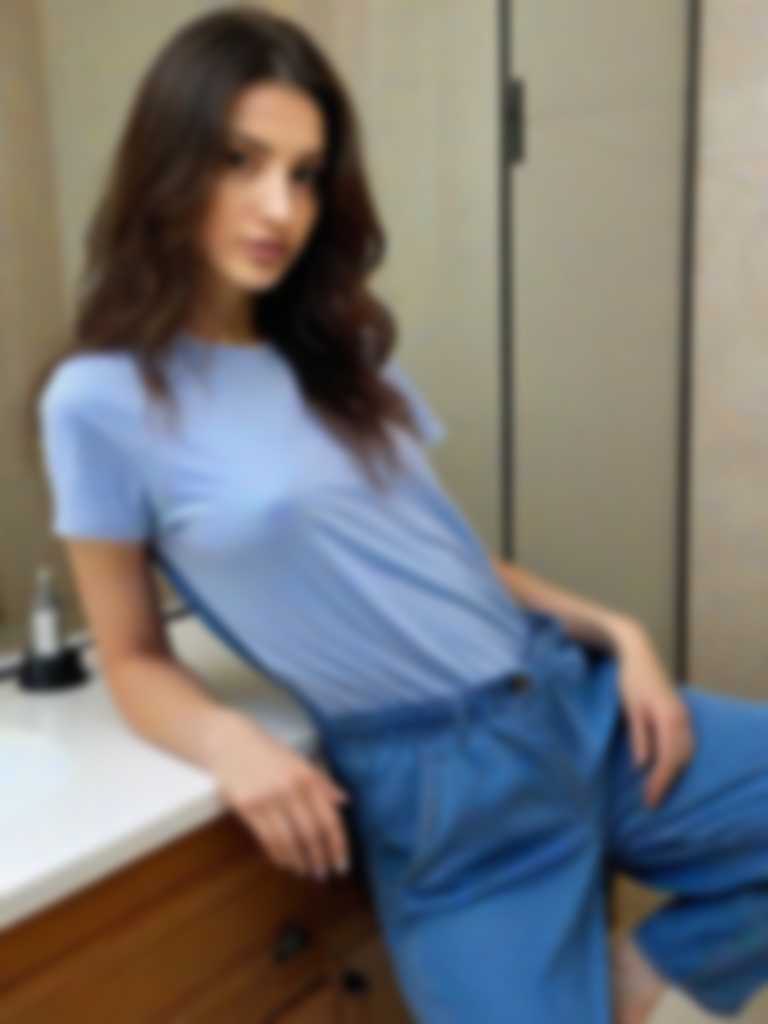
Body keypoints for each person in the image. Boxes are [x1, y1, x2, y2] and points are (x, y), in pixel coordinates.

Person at [30, 7, 768, 1022]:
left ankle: (632, 979)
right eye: (241, 161)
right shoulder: (100, 400)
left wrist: (618, 631)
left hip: (569, 698)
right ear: (167, 163)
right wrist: (228, 744)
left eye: (305, 174)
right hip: (446, 799)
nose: (279, 206)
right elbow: (131, 656)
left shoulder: (342, 350)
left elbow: (453, 559)